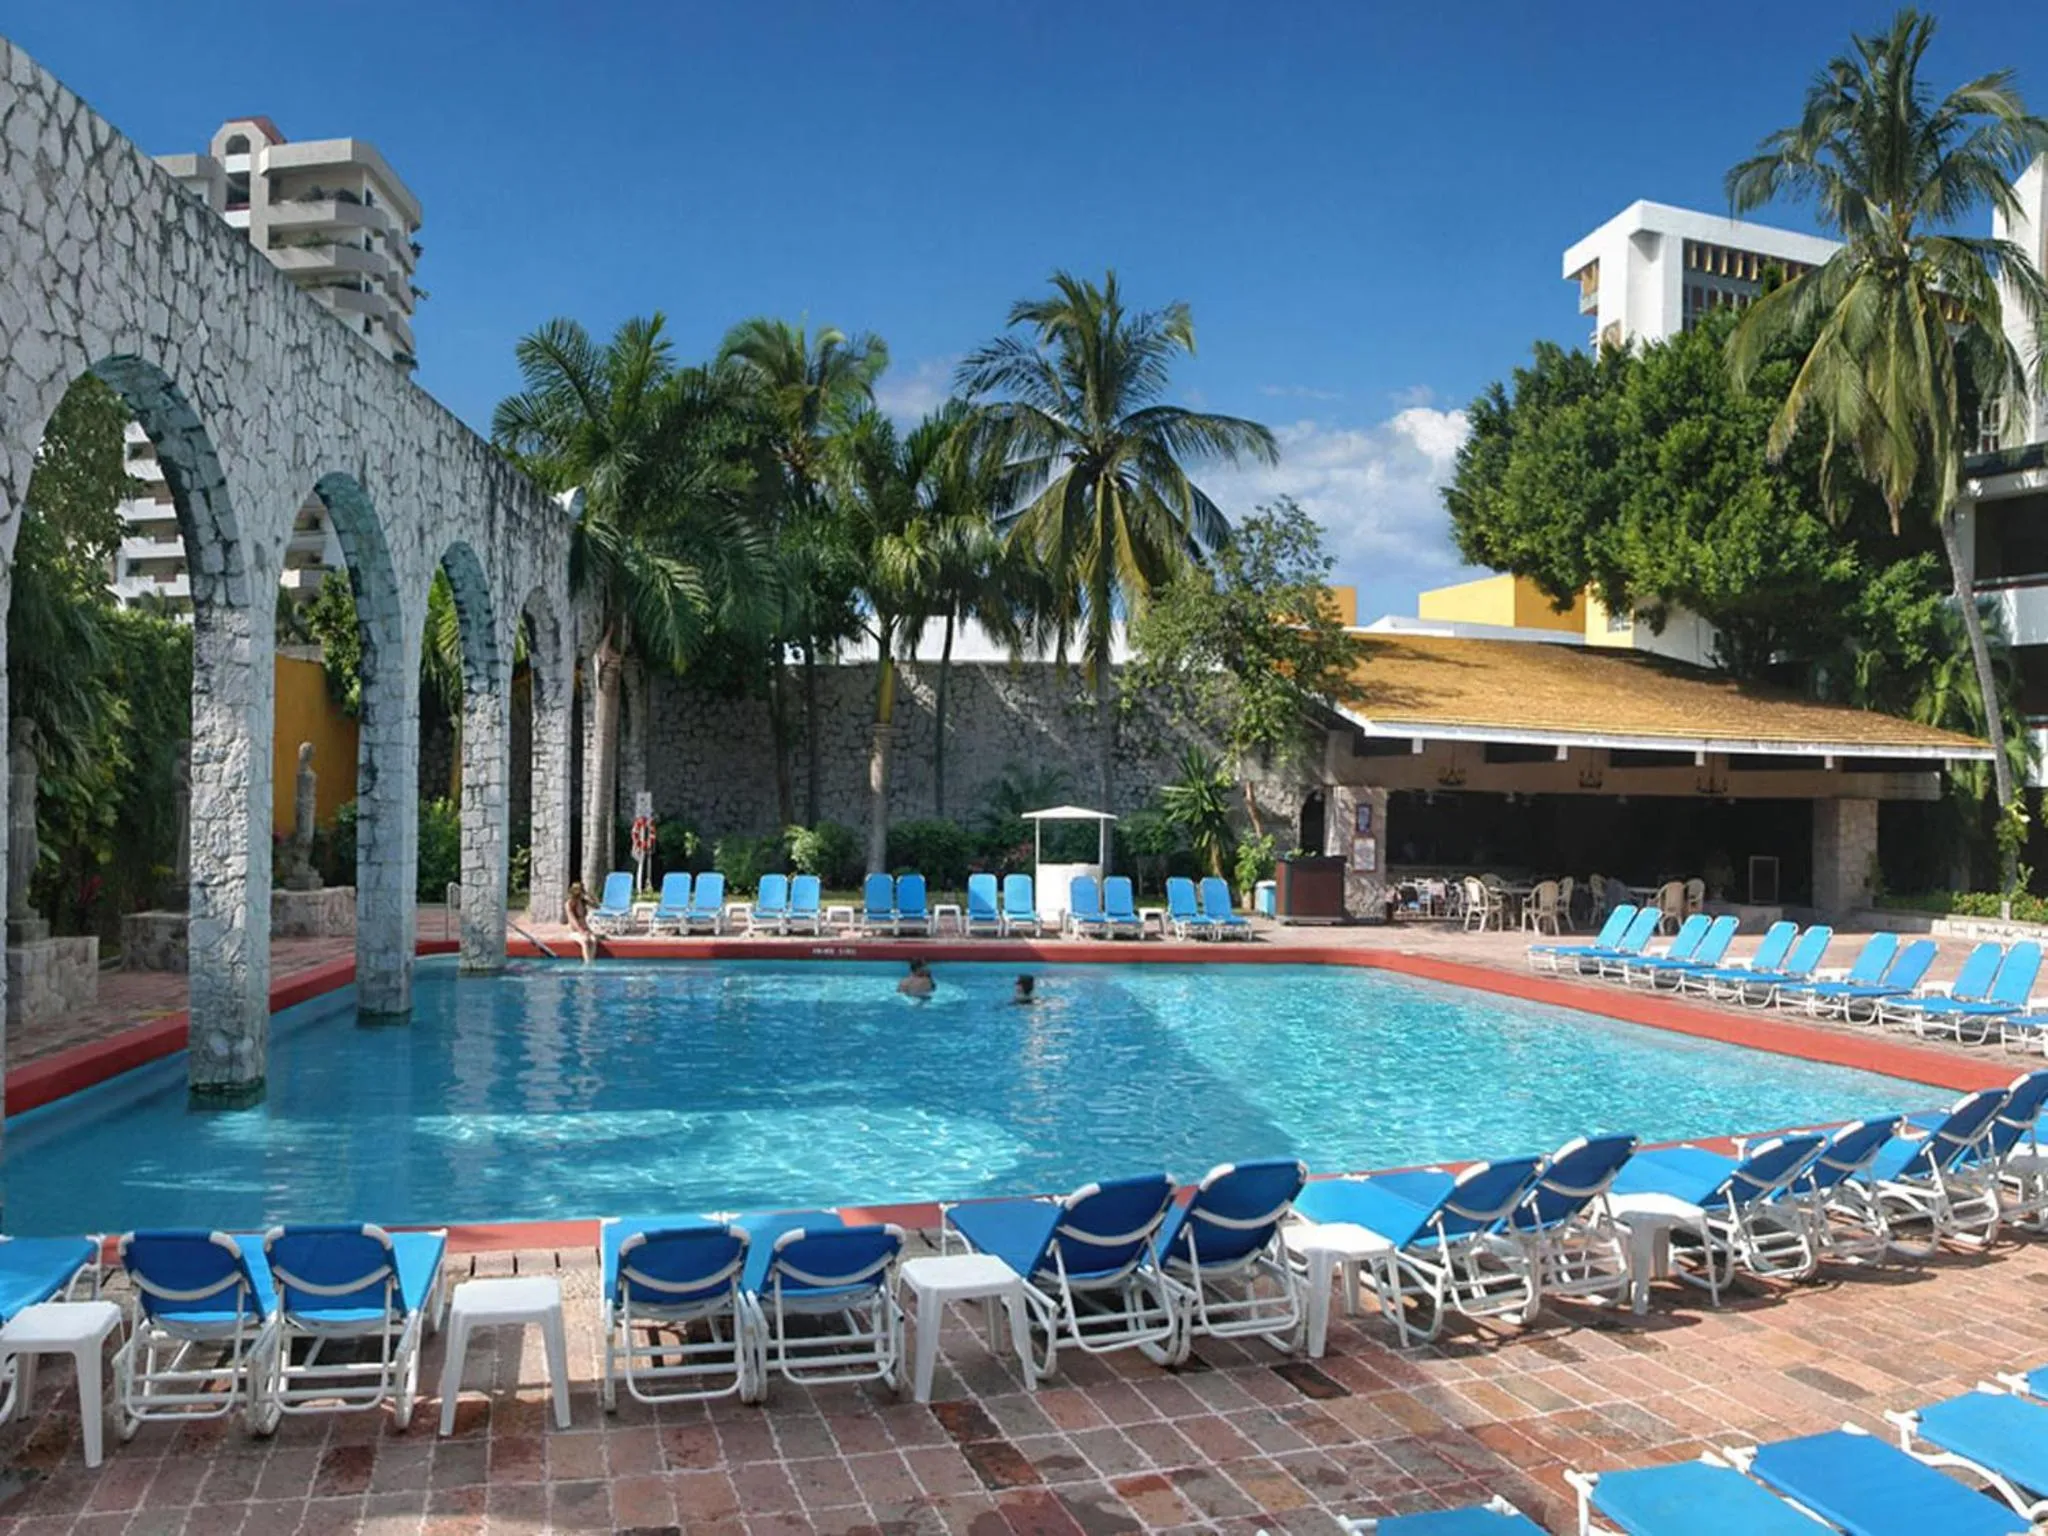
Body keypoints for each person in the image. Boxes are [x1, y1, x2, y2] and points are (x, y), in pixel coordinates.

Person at [564, 880, 597, 963]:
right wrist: (581, 932)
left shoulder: (583, 902)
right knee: (585, 941)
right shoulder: (569, 904)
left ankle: (591, 962)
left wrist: (590, 895)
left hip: (585, 929)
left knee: (593, 940)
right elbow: (573, 920)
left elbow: (597, 906)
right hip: (574, 931)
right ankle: (587, 962)